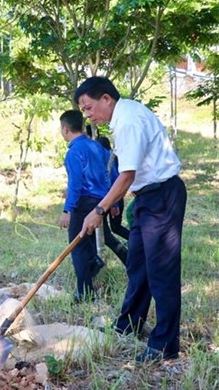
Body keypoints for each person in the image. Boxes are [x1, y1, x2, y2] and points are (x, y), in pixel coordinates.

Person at [74, 76, 186, 362]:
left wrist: (98, 211)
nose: (88, 116)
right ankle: (129, 324)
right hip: (146, 199)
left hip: (162, 196)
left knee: (161, 272)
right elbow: (129, 176)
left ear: (106, 99)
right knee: (138, 264)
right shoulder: (123, 118)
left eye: (88, 108)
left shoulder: (128, 120)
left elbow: (127, 175)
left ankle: (165, 345)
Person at [58, 110, 111, 302]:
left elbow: (76, 184)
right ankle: (94, 262)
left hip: (83, 203)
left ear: (65, 129)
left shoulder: (74, 152)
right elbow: (111, 171)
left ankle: (85, 292)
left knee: (77, 245)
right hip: (100, 202)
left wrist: (67, 210)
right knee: (86, 241)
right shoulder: (98, 147)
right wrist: (111, 200)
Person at [97, 136, 130, 240]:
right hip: (114, 198)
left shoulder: (108, 160)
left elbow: (114, 179)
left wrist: (114, 204)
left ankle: (136, 246)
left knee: (111, 231)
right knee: (115, 228)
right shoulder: (112, 156)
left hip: (112, 198)